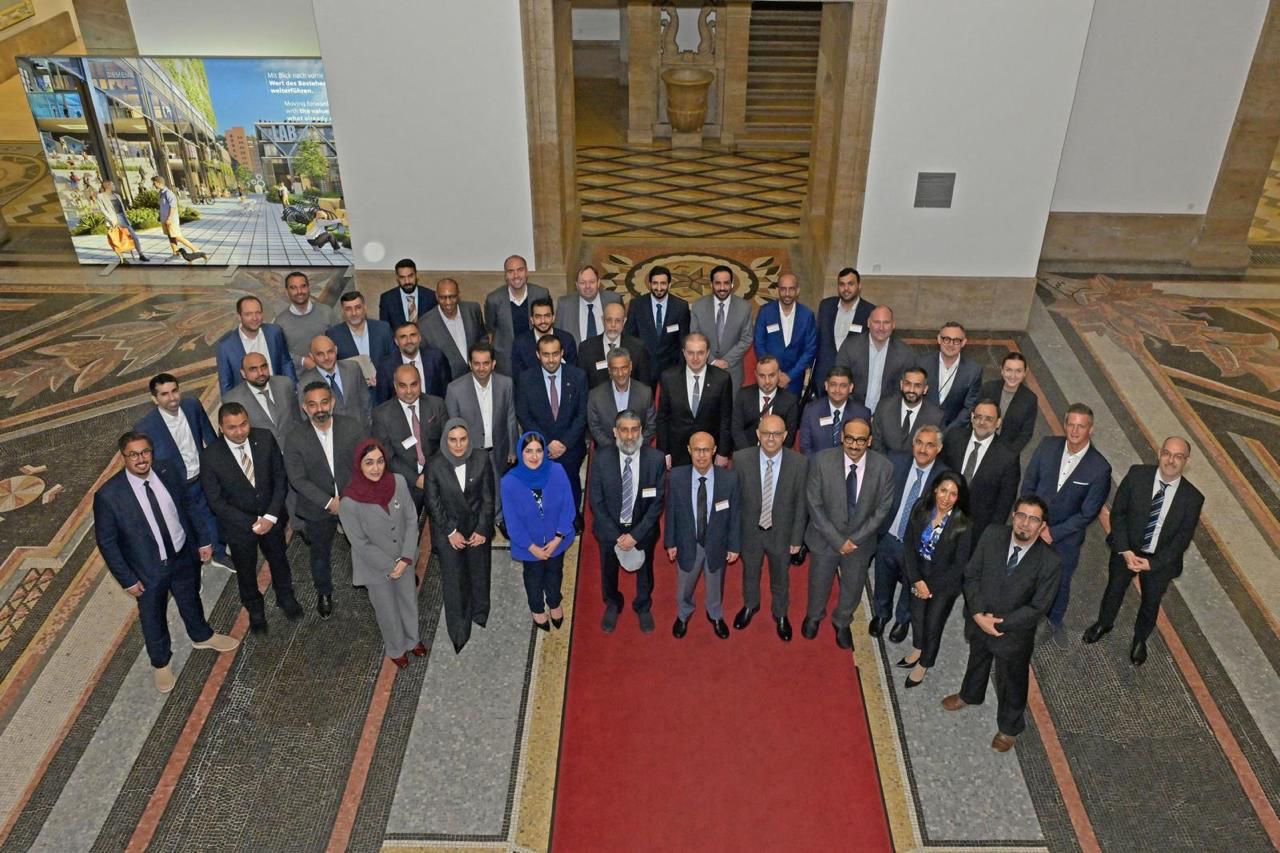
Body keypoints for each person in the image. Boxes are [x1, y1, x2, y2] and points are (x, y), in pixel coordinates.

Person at [94, 432, 239, 694]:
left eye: (145, 452)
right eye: (133, 454)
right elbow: (107, 543)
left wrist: (203, 540)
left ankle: (202, 636)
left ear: (152, 452)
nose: (141, 459)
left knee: (190, 598)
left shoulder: (167, 470)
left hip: (182, 553)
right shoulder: (109, 495)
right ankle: (160, 662)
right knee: (153, 616)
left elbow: (188, 505)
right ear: (123, 457)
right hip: (146, 569)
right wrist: (127, 579)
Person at [942, 497, 1061, 753]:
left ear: (1042, 526)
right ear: (1013, 515)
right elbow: (972, 575)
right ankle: (970, 694)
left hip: (1013, 634)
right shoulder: (993, 534)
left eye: (1033, 519)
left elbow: (1038, 607)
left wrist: (998, 624)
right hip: (979, 620)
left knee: (1012, 681)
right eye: (1021, 515)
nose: (1025, 523)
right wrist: (978, 614)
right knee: (977, 659)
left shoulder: (1050, 561)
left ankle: (1009, 727)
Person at [1083, 436, 1203, 666]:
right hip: (1127, 548)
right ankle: (1104, 623)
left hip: (1159, 561)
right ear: (1159, 453)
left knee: (1151, 602)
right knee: (1114, 589)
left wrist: (1152, 564)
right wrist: (1125, 550)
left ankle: (1140, 640)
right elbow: (1119, 514)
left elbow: (1182, 539)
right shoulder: (1137, 475)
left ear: (1186, 461)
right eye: (1167, 453)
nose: (1171, 460)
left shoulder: (1193, 498)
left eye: (1178, 456)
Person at [199, 403, 302, 633]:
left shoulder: (264, 438)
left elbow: (279, 477)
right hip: (239, 528)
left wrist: (271, 516)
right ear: (221, 427)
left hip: (272, 520)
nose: (240, 431)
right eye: (232, 427)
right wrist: (251, 523)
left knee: (279, 560)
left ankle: (286, 597)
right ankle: (255, 609)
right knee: (245, 571)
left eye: (244, 424)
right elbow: (216, 501)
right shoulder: (210, 456)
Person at [803, 418, 895, 649]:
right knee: (819, 582)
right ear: (842, 437)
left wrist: (854, 540)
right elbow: (814, 504)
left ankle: (842, 621)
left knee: (853, 587)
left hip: (860, 544)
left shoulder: (884, 468)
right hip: (824, 538)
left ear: (869, 441)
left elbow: (882, 510)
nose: (854, 445)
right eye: (850, 439)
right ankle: (814, 616)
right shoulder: (821, 461)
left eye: (861, 440)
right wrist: (837, 540)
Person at [1021, 403, 1112, 635]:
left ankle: (1055, 621)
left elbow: (1088, 512)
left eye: (1081, 426)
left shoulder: (1100, 468)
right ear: (1065, 424)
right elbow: (1029, 483)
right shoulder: (1047, 445)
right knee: (1024, 572)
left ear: (1091, 429)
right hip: (1032, 527)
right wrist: (1031, 521)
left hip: (1066, 539)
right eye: (1071, 424)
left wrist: (1053, 532)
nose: (1074, 431)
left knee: (1060, 581)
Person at [339, 439, 424, 670]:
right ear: (359, 465)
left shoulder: (398, 482)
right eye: (369, 463)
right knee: (387, 609)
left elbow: (411, 520)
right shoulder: (349, 502)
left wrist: (406, 557)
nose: (376, 468)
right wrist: (391, 565)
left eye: (380, 461)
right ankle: (396, 648)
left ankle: (413, 640)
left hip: (404, 558)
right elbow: (359, 543)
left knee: (408, 600)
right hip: (375, 567)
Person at [284, 382, 364, 618]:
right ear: (304, 408)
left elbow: (364, 464)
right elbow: (297, 479)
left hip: (353, 501)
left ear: (333, 402)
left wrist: (348, 498)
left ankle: (370, 580)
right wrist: (329, 502)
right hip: (317, 508)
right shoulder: (295, 437)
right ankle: (324, 592)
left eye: (324, 402)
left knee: (363, 543)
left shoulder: (352, 427)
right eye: (313, 405)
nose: (319, 409)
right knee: (320, 554)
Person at [135, 373, 228, 571]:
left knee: (211, 515)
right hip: (178, 485)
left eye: (174, 391)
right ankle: (195, 566)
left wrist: (220, 465)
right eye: (164, 394)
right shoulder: (146, 427)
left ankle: (219, 553)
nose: (172, 397)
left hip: (202, 475)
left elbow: (209, 435)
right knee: (188, 524)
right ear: (155, 399)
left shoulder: (192, 406)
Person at [589, 410, 667, 633]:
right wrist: (617, 536)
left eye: (634, 430)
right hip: (609, 530)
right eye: (624, 430)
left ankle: (643, 605)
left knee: (646, 570)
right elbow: (596, 502)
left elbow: (657, 503)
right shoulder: (601, 459)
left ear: (641, 431)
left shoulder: (656, 459)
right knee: (608, 569)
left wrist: (635, 535)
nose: (630, 436)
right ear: (615, 432)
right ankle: (613, 603)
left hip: (643, 529)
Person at [871, 424, 949, 642]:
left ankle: (902, 619)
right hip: (889, 536)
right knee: (883, 578)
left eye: (930, 445)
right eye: (919, 443)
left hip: (916, 546)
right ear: (913, 444)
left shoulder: (945, 477)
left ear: (939, 449)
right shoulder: (895, 461)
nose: (923, 449)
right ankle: (881, 614)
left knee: (911, 584)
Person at [732, 414, 808, 641]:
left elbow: (801, 504)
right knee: (750, 573)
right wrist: (734, 537)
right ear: (758, 434)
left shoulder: (799, 463)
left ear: (785, 435)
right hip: (750, 532)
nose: (771, 438)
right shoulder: (741, 459)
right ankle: (750, 605)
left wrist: (797, 539)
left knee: (780, 577)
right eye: (766, 433)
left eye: (776, 434)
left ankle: (781, 614)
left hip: (782, 533)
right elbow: (735, 502)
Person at [427, 420, 497, 651]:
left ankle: (480, 612)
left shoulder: (481, 458)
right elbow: (433, 503)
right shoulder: (435, 464)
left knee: (479, 571)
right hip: (449, 531)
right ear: (445, 441)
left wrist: (482, 529)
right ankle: (459, 630)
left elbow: (488, 498)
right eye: (453, 440)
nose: (458, 445)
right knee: (454, 581)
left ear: (469, 439)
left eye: (463, 439)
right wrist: (450, 531)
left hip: (476, 528)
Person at [898, 471, 972, 688]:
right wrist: (917, 579)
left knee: (933, 624)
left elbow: (959, 565)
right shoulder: (921, 507)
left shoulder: (963, 523)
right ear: (935, 489)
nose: (946, 498)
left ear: (959, 497)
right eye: (943, 490)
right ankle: (917, 648)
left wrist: (930, 588)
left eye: (953, 494)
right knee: (917, 616)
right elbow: (908, 543)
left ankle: (925, 663)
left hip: (944, 584)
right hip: (918, 574)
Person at [666, 432, 740, 639]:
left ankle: (715, 614)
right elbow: (671, 512)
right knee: (684, 585)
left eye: (706, 450)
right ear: (689, 450)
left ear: (714, 450)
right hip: (687, 542)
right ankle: (683, 614)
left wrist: (734, 546)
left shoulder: (729, 479)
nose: (701, 455)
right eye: (697, 450)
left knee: (715, 583)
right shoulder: (677, 477)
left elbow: (735, 514)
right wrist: (670, 542)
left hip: (717, 542)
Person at [502, 430, 575, 634]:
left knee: (555, 572)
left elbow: (568, 506)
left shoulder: (557, 471)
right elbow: (512, 521)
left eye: (538, 451)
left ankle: (554, 602)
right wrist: (531, 547)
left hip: (557, 540)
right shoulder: (509, 482)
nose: (534, 456)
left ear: (544, 452)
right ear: (520, 453)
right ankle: (537, 608)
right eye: (528, 451)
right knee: (533, 578)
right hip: (529, 546)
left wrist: (558, 537)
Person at [514, 334, 589, 517]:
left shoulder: (578, 376)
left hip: (570, 448)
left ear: (562, 353)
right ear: (538, 355)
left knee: (570, 486)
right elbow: (524, 415)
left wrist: (564, 443)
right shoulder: (526, 379)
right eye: (546, 354)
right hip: (540, 449)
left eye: (555, 354)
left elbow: (582, 414)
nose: (551, 359)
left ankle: (572, 519)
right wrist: (546, 443)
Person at [445, 342, 517, 528]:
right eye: (476, 363)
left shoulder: (506, 384)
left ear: (493, 363)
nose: (481, 368)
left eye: (486, 363)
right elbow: (453, 425)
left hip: (498, 448)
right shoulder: (455, 389)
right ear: (470, 364)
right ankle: (480, 524)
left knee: (499, 485)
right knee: (476, 490)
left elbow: (510, 417)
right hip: (471, 451)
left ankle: (499, 519)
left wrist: (512, 448)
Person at [941, 400, 1020, 544]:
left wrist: (988, 537)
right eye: (978, 417)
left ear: (998, 422)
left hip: (975, 532)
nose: (982, 422)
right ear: (972, 417)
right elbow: (939, 473)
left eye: (988, 419)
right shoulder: (953, 437)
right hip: (940, 516)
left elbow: (1004, 504)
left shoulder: (1008, 457)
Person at [372, 364, 448, 511]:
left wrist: (430, 475)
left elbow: (445, 443)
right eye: (403, 386)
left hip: (437, 478)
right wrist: (416, 479)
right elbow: (387, 456)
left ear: (420, 383)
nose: (409, 391)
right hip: (404, 485)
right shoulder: (381, 415)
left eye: (413, 385)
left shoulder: (437, 405)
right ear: (395, 386)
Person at [657, 332, 733, 469]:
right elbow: (662, 418)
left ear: (708, 353)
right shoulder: (669, 378)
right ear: (684, 353)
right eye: (691, 353)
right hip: (678, 451)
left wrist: (723, 452)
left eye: (700, 353)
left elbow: (725, 419)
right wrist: (665, 452)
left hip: (709, 452)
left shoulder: (722, 379)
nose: (695, 358)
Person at [834, 304, 916, 413]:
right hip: (852, 410)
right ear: (868, 323)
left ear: (893, 324)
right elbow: (839, 380)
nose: (881, 328)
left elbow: (905, 390)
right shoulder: (850, 346)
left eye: (886, 322)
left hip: (888, 413)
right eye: (877, 322)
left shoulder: (905, 353)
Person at [809, 266, 875, 400]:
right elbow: (817, 339)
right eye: (842, 284)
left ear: (859, 286)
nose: (846, 289)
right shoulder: (826, 306)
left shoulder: (869, 311)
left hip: (853, 381)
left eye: (850, 284)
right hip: (823, 379)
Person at [215, 295, 297, 394]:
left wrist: (293, 389)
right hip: (248, 400)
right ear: (239, 316)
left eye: (258, 313)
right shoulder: (225, 346)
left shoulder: (274, 332)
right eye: (248, 314)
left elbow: (286, 363)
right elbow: (226, 385)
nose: (255, 318)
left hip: (279, 394)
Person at [221, 352, 302, 452]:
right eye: (253, 369)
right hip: (264, 455)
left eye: (263, 367)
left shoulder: (285, 384)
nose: (260, 373)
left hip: (294, 450)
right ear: (243, 373)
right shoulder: (232, 399)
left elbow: (298, 418)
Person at [484, 254, 550, 377]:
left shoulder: (541, 294)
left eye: (520, 270)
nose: (516, 276)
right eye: (511, 271)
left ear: (526, 272)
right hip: (506, 362)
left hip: (536, 357)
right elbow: (490, 329)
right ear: (505, 275)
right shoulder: (493, 300)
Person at [690, 264, 753, 391]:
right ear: (711, 284)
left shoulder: (745, 307)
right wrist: (712, 361)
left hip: (732, 371)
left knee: (731, 403)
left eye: (726, 283)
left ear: (732, 284)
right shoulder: (698, 306)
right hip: (704, 369)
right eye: (718, 283)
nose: (722, 288)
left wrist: (726, 361)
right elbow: (695, 336)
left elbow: (747, 338)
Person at [752, 273, 816, 392]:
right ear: (778, 290)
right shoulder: (765, 312)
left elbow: (810, 350)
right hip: (768, 378)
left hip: (794, 380)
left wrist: (789, 376)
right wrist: (772, 372)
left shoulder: (807, 315)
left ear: (797, 290)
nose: (787, 294)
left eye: (791, 289)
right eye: (783, 289)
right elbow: (759, 343)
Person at [625, 265, 690, 378]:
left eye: (663, 283)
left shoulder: (681, 307)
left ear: (669, 285)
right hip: (643, 368)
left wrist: (680, 370)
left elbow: (683, 341)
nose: (659, 288)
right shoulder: (637, 305)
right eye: (655, 283)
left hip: (671, 370)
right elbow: (630, 337)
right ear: (649, 284)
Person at [586, 346, 656, 448]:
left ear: (630, 366)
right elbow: (595, 428)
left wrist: (634, 446)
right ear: (609, 370)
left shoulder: (645, 393)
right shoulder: (596, 396)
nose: (620, 374)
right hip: (608, 451)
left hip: (639, 450)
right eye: (615, 369)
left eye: (624, 368)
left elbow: (651, 426)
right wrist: (616, 449)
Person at [418, 278, 485, 381]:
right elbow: (427, 360)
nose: (448, 302)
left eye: (452, 297)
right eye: (443, 298)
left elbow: (482, 336)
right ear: (436, 296)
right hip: (448, 383)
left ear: (458, 295)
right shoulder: (425, 324)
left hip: (478, 378)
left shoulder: (472, 309)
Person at [298, 334, 371, 429]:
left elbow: (365, 399)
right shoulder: (305, 382)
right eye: (320, 354)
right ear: (311, 356)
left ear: (336, 350)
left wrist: (368, 424)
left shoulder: (353, 368)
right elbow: (306, 417)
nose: (326, 357)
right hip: (331, 434)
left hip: (361, 429)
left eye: (330, 352)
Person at [274, 271, 337, 376]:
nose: (299, 291)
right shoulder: (280, 322)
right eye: (293, 288)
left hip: (330, 376)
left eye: (303, 286)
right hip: (300, 380)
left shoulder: (326, 312)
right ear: (286, 292)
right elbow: (279, 353)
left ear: (308, 288)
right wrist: (302, 361)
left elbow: (339, 341)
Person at [732, 355, 800, 451]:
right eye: (762, 376)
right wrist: (748, 455)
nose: (767, 381)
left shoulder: (790, 400)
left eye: (771, 375)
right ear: (756, 375)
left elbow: (789, 436)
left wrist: (773, 455)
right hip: (746, 451)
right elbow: (736, 430)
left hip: (777, 454)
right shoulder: (743, 395)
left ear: (779, 374)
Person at [922, 322, 982, 429]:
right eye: (946, 339)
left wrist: (949, 431)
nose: (951, 344)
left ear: (964, 342)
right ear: (939, 339)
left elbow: (969, 407)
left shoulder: (973, 371)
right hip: (921, 427)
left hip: (953, 431)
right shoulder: (921, 363)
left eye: (956, 340)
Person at [797, 365, 869, 455]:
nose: (837, 390)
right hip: (817, 462)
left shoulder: (862, 413)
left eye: (843, 386)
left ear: (850, 388)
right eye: (833, 385)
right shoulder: (811, 410)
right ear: (826, 386)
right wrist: (819, 464)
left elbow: (863, 449)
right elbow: (805, 447)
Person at [578, 301, 652, 388]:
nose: (613, 325)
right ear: (602, 320)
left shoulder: (638, 348)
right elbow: (582, 386)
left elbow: (644, 386)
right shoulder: (586, 348)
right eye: (609, 320)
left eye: (618, 321)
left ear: (624, 321)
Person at [872, 367, 944, 455]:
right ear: (901, 385)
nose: (911, 390)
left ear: (925, 389)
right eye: (907, 384)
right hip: (884, 461)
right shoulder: (884, 407)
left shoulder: (936, 417)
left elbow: (932, 452)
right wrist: (886, 463)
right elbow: (876, 444)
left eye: (917, 386)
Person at [374, 322, 450, 403]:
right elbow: (383, 401)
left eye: (413, 335)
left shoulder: (436, 358)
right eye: (403, 337)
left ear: (419, 337)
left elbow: (447, 391)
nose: (409, 341)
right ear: (396, 341)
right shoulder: (386, 367)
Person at [982, 352, 1037, 455]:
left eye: (1018, 371)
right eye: (1008, 370)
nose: (1013, 376)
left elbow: (1026, 434)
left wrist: (1009, 454)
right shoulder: (988, 388)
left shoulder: (1030, 399)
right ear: (1002, 370)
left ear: (1025, 373)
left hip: (1008, 453)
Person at [511, 297, 578, 379]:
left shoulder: (567, 340)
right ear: (532, 319)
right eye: (538, 317)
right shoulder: (520, 344)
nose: (543, 321)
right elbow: (519, 378)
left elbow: (573, 374)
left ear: (553, 318)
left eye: (547, 316)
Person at [556, 264, 623, 345]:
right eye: (582, 283)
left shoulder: (613, 300)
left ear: (598, 282)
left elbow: (623, 333)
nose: (587, 286)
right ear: (576, 285)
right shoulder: (564, 305)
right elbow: (557, 337)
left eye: (591, 282)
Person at [327, 291, 395, 368]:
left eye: (358, 307)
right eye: (348, 309)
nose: (354, 313)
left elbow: (394, 358)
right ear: (343, 312)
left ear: (365, 308)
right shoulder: (333, 335)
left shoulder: (383, 329)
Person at [152, 175, 206, 263]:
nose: (153, 185)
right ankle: (175, 254)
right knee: (171, 237)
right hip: (165, 219)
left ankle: (195, 249)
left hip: (171, 220)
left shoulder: (168, 193)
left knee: (177, 236)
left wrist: (169, 218)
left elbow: (173, 207)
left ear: (159, 183)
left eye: (154, 183)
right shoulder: (161, 193)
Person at [96, 179, 150, 263]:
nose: (114, 186)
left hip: (122, 218)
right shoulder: (101, 196)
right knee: (116, 240)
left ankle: (141, 255)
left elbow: (122, 209)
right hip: (112, 220)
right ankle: (122, 258)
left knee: (134, 236)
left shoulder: (117, 195)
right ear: (108, 186)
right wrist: (111, 219)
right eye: (112, 184)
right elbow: (102, 209)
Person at [378, 258, 438, 329]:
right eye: (402, 277)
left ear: (416, 275)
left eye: (410, 276)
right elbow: (385, 329)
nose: (407, 281)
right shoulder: (387, 299)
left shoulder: (431, 296)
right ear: (397, 278)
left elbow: (435, 325)